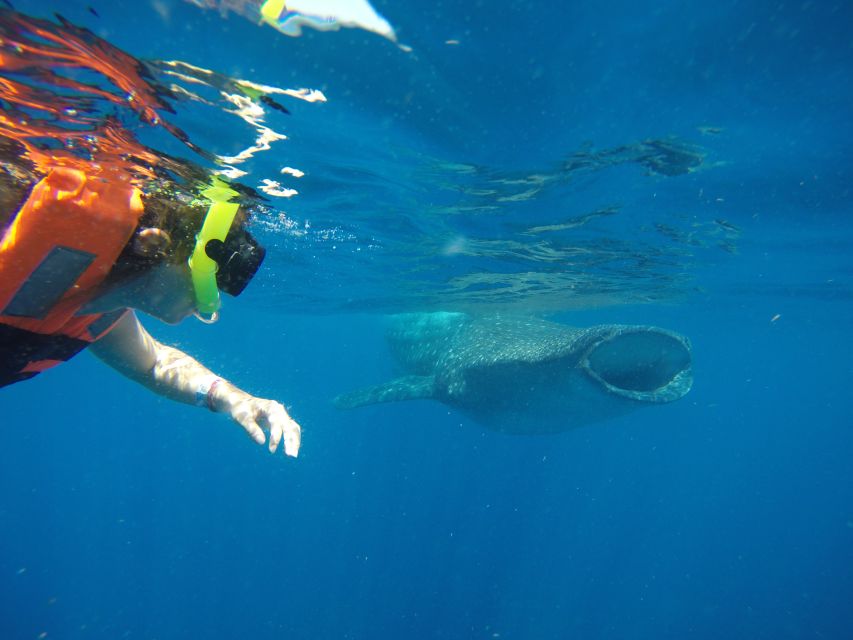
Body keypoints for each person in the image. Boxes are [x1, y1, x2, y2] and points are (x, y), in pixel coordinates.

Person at [0, 162, 302, 458]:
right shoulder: (10, 224)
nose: (210, 301)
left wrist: (233, 399)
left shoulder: (98, 311)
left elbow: (154, 365)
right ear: (155, 244)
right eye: (207, 280)